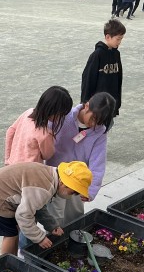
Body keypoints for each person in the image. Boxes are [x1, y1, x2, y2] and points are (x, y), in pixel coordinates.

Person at [0, 161, 92, 256]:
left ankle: (13, 259)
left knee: (16, 229)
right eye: (73, 192)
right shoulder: (43, 189)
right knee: (11, 233)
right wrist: (39, 238)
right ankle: (7, 265)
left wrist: (51, 225)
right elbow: (23, 216)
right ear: (63, 183)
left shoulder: (50, 176)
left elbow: (38, 206)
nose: (73, 196)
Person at [45, 93, 117, 227]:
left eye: (99, 122)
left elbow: (98, 163)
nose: (94, 124)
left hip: (78, 181)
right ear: (87, 106)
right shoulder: (64, 116)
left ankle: (72, 238)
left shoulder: (99, 132)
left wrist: (91, 190)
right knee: (54, 217)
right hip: (56, 175)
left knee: (75, 216)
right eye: (93, 118)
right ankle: (54, 238)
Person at [4, 86, 73, 166]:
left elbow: (10, 132)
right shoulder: (45, 134)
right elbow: (47, 155)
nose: (60, 118)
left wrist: (7, 159)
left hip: (12, 165)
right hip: (31, 170)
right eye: (61, 114)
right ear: (53, 111)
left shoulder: (27, 113)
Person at [81, 19, 124, 121]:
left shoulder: (116, 54)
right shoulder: (97, 55)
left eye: (121, 39)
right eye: (118, 39)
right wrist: (85, 103)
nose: (120, 42)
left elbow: (119, 80)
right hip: (97, 106)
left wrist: (117, 103)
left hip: (110, 104)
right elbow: (88, 80)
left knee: (107, 127)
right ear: (108, 37)